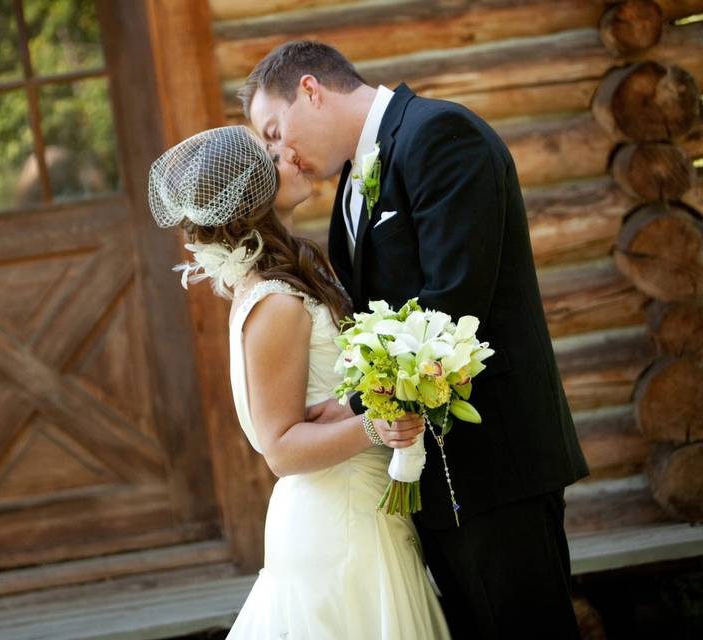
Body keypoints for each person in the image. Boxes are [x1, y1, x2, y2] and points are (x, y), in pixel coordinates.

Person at [239, 40, 590, 639]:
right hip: (429, 482)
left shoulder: (441, 136)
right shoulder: (355, 180)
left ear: (311, 90)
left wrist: (355, 407)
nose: (281, 153)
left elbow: (454, 303)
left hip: (494, 467)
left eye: (275, 131)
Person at [149, 125, 450, 639]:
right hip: (337, 523)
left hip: (360, 507)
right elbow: (281, 448)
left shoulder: (290, 279)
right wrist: (377, 426)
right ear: (253, 193)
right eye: (271, 155)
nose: (288, 152)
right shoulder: (277, 304)